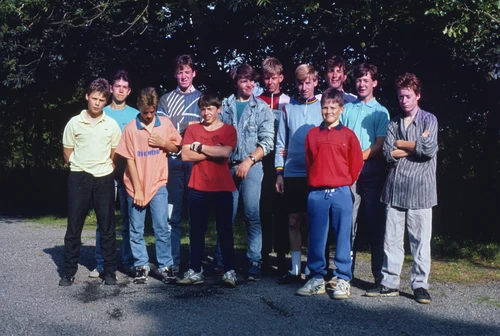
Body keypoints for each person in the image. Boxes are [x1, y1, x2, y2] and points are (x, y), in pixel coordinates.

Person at [365, 73, 438, 304]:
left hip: (421, 190)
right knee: (392, 240)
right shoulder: (394, 122)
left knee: (420, 241)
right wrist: (412, 145)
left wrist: (401, 144)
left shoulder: (429, 120)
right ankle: (389, 283)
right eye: (400, 96)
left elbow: (428, 149)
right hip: (395, 189)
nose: (403, 100)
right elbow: (387, 153)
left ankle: (420, 286)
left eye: (408, 96)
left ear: (418, 95)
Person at [297, 88, 363, 299]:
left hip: (341, 192)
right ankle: (316, 277)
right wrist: (319, 182)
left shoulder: (348, 135)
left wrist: (342, 182)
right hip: (317, 193)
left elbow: (355, 164)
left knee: (343, 237)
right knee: (316, 238)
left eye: (333, 107)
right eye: (325, 107)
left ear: (341, 109)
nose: (328, 111)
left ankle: (343, 278)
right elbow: (309, 163)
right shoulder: (312, 135)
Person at [115, 87, 182, 284]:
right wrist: (138, 191)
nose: (149, 115)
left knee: (161, 227)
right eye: (145, 112)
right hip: (135, 186)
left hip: (158, 183)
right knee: (136, 229)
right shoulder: (130, 129)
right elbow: (130, 161)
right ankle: (141, 266)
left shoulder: (165, 124)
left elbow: (176, 147)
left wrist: (163, 142)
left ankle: (165, 266)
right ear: (139, 108)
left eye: (152, 111)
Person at [60, 78, 121, 286]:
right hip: (79, 176)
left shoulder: (111, 125)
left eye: (102, 99)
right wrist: (79, 167)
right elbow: (68, 151)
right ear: (87, 96)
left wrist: (106, 168)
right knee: (74, 227)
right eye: (94, 98)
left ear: (106, 101)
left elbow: (115, 152)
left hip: (104, 177)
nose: (97, 103)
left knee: (107, 226)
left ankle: (110, 271)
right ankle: (68, 271)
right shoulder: (74, 123)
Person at [177, 91, 238, 287]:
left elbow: (225, 152)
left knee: (225, 230)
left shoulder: (229, 130)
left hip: (222, 186)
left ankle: (229, 271)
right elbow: (185, 156)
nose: (206, 113)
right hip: (198, 187)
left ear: (219, 109)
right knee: (196, 230)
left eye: (210, 109)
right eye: (203, 109)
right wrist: (213, 151)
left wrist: (200, 147)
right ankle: (195, 270)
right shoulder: (193, 130)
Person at [220, 63, 274, 281]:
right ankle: (223, 260)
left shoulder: (262, 108)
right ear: (236, 82)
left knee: (252, 215)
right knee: (226, 217)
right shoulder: (225, 106)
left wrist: (249, 161)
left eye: (253, 80)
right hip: (226, 167)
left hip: (252, 167)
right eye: (245, 80)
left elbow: (267, 141)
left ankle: (254, 262)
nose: (250, 84)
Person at [340, 63, 390, 285]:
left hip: (372, 173)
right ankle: (344, 273)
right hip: (348, 174)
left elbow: (380, 145)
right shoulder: (348, 109)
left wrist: (356, 158)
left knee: (375, 224)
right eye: (359, 80)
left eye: (366, 80)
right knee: (347, 224)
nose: (361, 84)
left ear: (375, 83)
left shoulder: (381, 111)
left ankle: (379, 276)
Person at [275, 64, 323, 285]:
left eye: (308, 82)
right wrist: (279, 173)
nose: (304, 87)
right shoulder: (289, 109)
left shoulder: (324, 107)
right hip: (292, 173)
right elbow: (280, 143)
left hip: (316, 174)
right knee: (293, 221)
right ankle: (295, 270)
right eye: (300, 83)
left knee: (313, 222)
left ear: (315, 82)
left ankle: (313, 269)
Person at [91, 70, 139, 278]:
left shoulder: (136, 114)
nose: (120, 90)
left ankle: (129, 261)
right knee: (104, 220)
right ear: (111, 88)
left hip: (129, 173)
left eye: (124, 87)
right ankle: (101, 262)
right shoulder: (101, 111)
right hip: (105, 172)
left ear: (129, 91)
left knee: (129, 220)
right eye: (117, 86)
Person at [158, 55, 202, 274]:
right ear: (175, 74)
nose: (184, 76)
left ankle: (195, 264)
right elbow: (162, 129)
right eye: (180, 72)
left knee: (196, 216)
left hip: (196, 164)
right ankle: (172, 262)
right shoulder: (165, 99)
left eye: (187, 71)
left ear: (194, 73)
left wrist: (183, 129)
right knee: (172, 216)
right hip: (172, 163)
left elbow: (206, 129)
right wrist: (190, 127)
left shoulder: (203, 98)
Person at [257, 57, 291, 274]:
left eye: (274, 78)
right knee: (263, 209)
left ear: (281, 78)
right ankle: (263, 255)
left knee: (281, 211)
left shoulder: (289, 101)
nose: (270, 82)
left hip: (281, 161)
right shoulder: (257, 99)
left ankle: (281, 254)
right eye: (266, 78)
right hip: (261, 160)